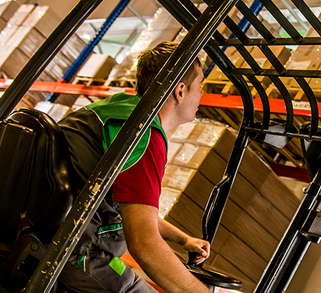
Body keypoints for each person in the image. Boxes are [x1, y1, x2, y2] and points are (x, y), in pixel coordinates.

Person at [57, 42, 210, 293]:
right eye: (200, 85)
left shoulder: (115, 111)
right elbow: (143, 245)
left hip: (58, 238)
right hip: (77, 256)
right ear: (180, 91)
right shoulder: (144, 136)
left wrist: (183, 239)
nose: (201, 94)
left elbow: (134, 210)